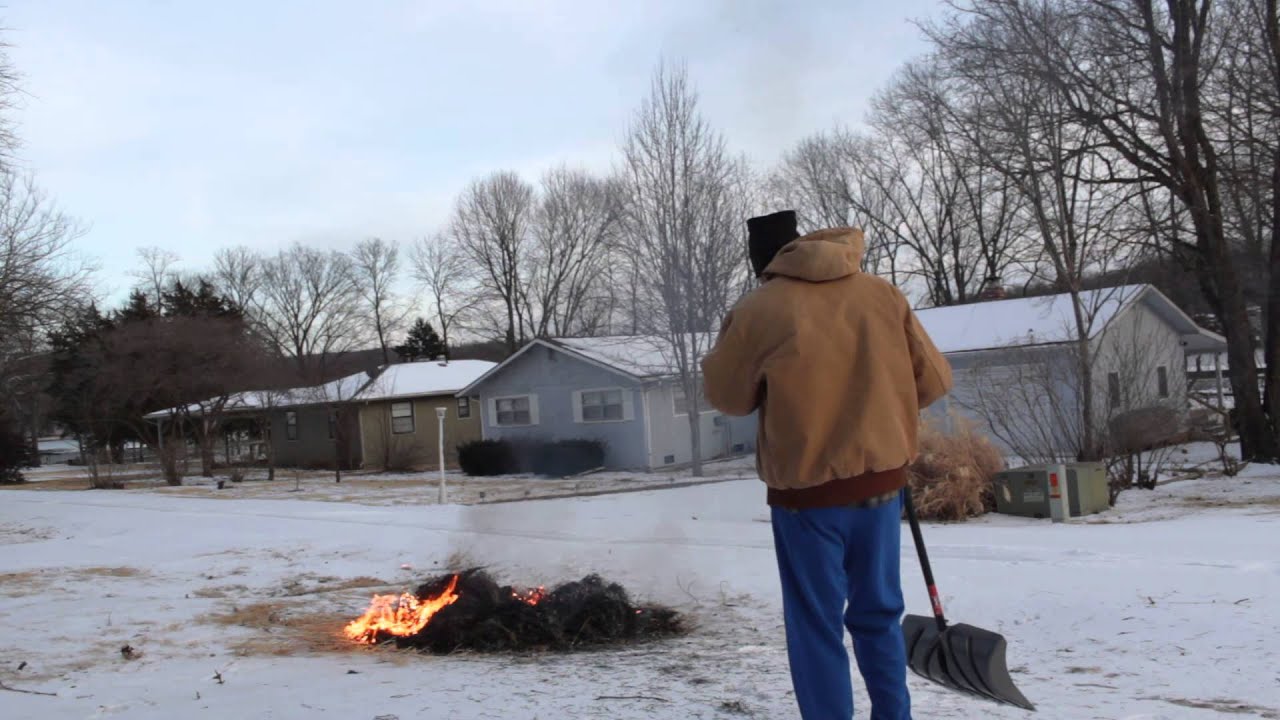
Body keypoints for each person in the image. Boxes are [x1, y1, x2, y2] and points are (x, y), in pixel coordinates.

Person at [701, 210, 953, 720]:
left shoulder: (758, 310)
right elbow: (933, 382)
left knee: (816, 626)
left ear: (764, 263)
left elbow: (727, 398)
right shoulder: (881, 295)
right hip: (881, 488)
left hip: (807, 499)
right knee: (879, 613)